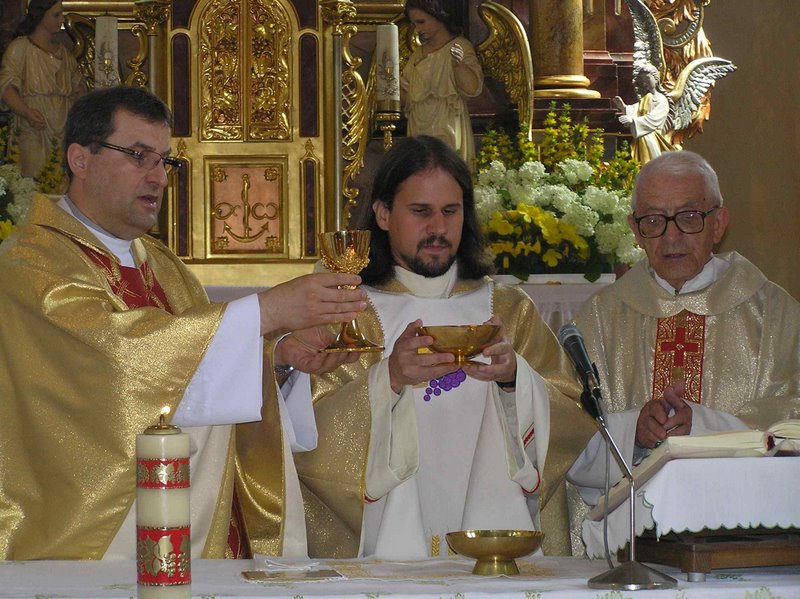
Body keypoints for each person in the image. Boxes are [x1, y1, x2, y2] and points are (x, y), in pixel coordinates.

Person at [0, 85, 367, 560]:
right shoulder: (30, 262)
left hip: (192, 524)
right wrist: (268, 311)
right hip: (88, 536)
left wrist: (275, 358)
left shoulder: (163, 265)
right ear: (80, 159)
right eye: (139, 156)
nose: (158, 177)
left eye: (165, 161)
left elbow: (199, 374)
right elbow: (117, 366)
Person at [242, 135, 596, 559]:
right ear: (383, 214)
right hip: (385, 551)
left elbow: (572, 418)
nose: (438, 228)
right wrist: (389, 380)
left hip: (493, 543)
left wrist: (514, 380)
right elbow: (304, 436)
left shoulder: (509, 310)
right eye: (421, 211)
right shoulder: (347, 311)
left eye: (451, 211)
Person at [567, 150, 800, 510]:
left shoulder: (774, 315)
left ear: (718, 224)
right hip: (631, 527)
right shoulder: (599, 318)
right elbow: (566, 439)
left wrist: (703, 428)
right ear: (635, 230)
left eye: (689, 217)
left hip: (743, 521)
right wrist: (632, 434)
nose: (671, 236)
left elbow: (792, 423)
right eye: (653, 220)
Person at [0, 0, 84, 183]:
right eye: (56, 15)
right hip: (33, 127)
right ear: (41, 15)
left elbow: (79, 92)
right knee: (32, 182)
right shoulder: (20, 48)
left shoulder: (65, 55)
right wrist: (26, 111)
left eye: (61, 14)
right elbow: (6, 88)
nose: (61, 20)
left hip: (62, 128)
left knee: (61, 183)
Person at [400, 0, 483, 168]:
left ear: (439, 16)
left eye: (421, 22)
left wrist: (459, 67)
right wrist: (391, 84)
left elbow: (473, 88)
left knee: (447, 167)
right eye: (414, 24)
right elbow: (407, 95)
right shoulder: (418, 54)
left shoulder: (459, 46)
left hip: (447, 122)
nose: (417, 29)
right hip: (419, 124)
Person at [613, 62, 675, 164]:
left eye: (647, 79)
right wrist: (623, 107)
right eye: (643, 81)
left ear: (656, 79)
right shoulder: (646, 97)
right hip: (641, 138)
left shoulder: (662, 100)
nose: (645, 83)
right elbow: (636, 109)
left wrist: (632, 120)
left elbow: (653, 119)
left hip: (652, 138)